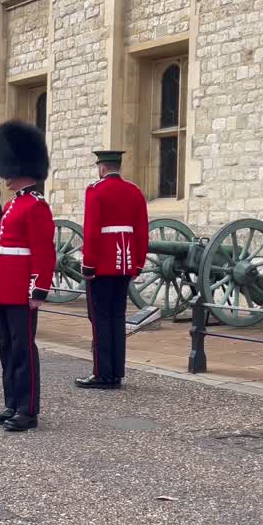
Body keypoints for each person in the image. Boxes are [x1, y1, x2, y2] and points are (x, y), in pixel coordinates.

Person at [0, 122, 56, 432]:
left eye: (9, 168)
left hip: (21, 288)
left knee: (23, 348)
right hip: (3, 285)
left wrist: (38, 289)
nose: (5, 174)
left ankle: (27, 410)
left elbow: (43, 251)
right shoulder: (14, 204)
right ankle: (11, 403)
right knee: (6, 346)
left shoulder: (36, 206)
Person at [78, 150, 149, 390]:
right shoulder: (134, 191)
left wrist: (88, 265)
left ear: (101, 168)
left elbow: (91, 232)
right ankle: (116, 372)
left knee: (100, 320)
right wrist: (138, 262)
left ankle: (102, 374)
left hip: (102, 265)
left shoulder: (95, 191)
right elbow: (141, 231)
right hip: (125, 264)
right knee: (117, 319)